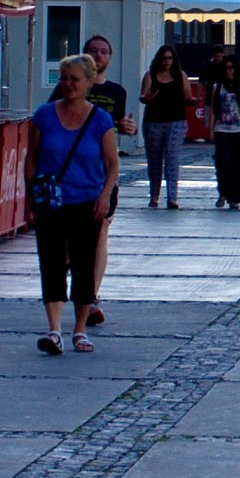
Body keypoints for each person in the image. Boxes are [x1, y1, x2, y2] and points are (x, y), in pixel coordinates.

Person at [27, 54, 119, 355]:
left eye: (74, 79)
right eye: (63, 78)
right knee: (51, 263)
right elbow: (32, 158)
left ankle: (80, 329)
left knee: (83, 265)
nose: (67, 84)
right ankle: (54, 330)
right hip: (51, 202)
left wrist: (105, 195)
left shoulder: (100, 120)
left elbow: (111, 163)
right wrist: (30, 193)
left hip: (87, 202)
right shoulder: (44, 115)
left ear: (89, 83)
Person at [84, 32, 135, 326]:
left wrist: (127, 128)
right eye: (93, 51)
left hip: (104, 172)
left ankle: (91, 298)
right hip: (75, 171)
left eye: (104, 51)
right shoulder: (71, 86)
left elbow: (121, 127)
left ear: (110, 58)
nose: (99, 55)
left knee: (102, 231)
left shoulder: (116, 92)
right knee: (73, 237)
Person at [139, 44, 188, 211]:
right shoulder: (150, 76)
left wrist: (194, 100)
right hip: (154, 121)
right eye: (164, 58)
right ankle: (154, 195)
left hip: (176, 121)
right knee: (154, 160)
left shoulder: (181, 76)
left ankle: (172, 196)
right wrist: (149, 97)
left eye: (170, 58)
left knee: (172, 159)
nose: (167, 61)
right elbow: (143, 97)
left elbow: (187, 97)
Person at [205, 49, 240, 210]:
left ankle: (235, 197)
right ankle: (223, 192)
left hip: (239, 130)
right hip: (221, 129)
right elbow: (212, 109)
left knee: (237, 165)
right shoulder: (217, 87)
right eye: (226, 67)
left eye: (231, 67)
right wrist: (211, 129)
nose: (229, 70)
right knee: (222, 162)